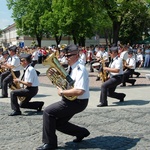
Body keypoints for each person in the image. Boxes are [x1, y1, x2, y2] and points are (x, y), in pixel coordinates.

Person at [36, 44, 90, 150]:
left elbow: (79, 90)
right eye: (65, 56)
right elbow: (67, 83)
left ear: (77, 56)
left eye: (69, 56)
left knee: (48, 112)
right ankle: (82, 132)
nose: (66, 58)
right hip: (71, 100)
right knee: (59, 123)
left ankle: (50, 144)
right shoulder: (71, 67)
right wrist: (55, 77)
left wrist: (62, 92)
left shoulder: (80, 69)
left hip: (77, 102)